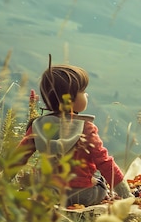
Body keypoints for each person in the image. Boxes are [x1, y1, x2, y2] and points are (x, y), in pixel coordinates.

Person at [17, 56, 132, 207]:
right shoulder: (85, 128)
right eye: (83, 91)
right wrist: (126, 194)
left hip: (50, 191)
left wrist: (1, 181)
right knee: (99, 180)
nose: (86, 95)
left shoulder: (37, 126)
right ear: (69, 99)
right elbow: (104, 162)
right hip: (83, 195)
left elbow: (18, 157)